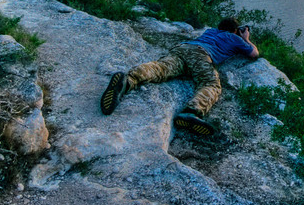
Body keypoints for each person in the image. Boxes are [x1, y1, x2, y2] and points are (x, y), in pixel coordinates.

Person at [100, 17, 259, 135]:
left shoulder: (210, 31)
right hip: (201, 56)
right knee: (211, 84)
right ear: (235, 30)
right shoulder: (234, 38)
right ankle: (191, 111)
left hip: (183, 48)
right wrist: (245, 38)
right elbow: (254, 53)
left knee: (161, 68)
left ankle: (128, 80)